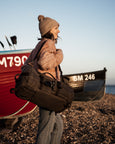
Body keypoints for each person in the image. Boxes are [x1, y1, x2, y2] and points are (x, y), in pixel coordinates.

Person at [30, 15, 64, 144]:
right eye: (56, 28)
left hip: (43, 89)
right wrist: (60, 54)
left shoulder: (39, 45)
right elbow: (45, 63)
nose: (58, 31)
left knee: (57, 125)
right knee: (45, 128)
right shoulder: (49, 44)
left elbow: (25, 66)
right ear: (49, 30)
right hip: (47, 90)